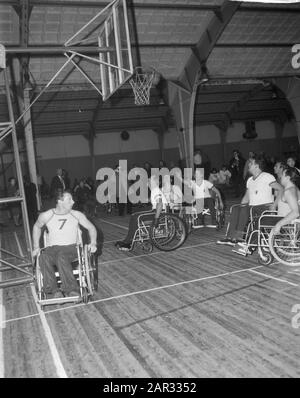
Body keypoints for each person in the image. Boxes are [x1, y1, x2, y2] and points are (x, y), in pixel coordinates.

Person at [32, 190, 97, 298]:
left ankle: (72, 289)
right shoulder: (47, 215)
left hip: (72, 248)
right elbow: (36, 227)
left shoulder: (76, 214)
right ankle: (54, 290)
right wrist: (36, 247)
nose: (73, 202)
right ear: (60, 201)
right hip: (53, 249)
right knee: (43, 257)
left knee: (61, 256)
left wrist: (93, 243)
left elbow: (91, 228)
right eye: (69, 199)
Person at [217, 155, 282, 255]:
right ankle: (230, 237)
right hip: (252, 207)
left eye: (250, 163)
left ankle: (238, 238)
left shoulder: (267, 176)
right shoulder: (250, 180)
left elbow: (281, 189)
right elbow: (247, 197)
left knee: (244, 210)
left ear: (257, 166)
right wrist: (241, 205)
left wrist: (275, 204)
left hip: (263, 207)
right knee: (236, 209)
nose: (248, 165)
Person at [115, 174, 167, 251]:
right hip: (156, 211)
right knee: (135, 215)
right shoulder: (154, 190)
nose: (148, 181)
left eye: (150, 180)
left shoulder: (156, 190)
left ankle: (128, 242)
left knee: (136, 217)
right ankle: (128, 240)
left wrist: (156, 218)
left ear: (155, 182)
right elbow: (150, 200)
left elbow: (160, 204)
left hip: (159, 212)